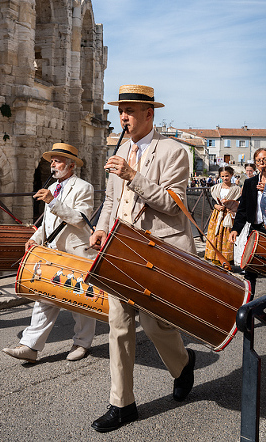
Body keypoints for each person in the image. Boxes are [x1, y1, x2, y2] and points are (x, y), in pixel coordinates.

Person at [89, 84, 197, 433]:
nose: (124, 116)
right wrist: (101, 228)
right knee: (118, 327)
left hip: (156, 250)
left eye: (131, 110)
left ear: (150, 114)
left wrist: (132, 175)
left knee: (153, 325)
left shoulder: (174, 151)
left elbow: (172, 203)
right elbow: (110, 201)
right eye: (122, 109)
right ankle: (122, 405)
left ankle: (182, 365)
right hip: (121, 251)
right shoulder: (119, 148)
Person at [2, 143, 96, 363]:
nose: (53, 164)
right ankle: (30, 346)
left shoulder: (84, 187)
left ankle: (82, 343)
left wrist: (52, 201)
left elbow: (79, 220)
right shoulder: (53, 188)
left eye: (58, 160)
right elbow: (48, 223)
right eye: (52, 160)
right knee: (45, 297)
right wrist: (35, 238)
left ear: (71, 165)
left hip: (76, 253)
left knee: (79, 300)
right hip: (53, 253)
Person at [229, 148, 266, 298]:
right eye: (259, 160)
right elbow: (243, 209)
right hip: (256, 230)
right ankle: (248, 306)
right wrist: (235, 229)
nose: (262, 163)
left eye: (264, 159)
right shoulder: (250, 183)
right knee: (251, 272)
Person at [204, 166, 241, 266]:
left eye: (227, 176)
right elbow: (213, 200)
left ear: (231, 175)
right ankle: (215, 258)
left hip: (229, 216)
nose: (225, 178)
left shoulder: (236, 189)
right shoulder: (216, 188)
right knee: (214, 236)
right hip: (217, 216)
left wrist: (232, 208)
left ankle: (227, 260)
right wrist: (216, 205)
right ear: (220, 177)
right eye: (223, 176)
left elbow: (239, 203)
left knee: (227, 238)